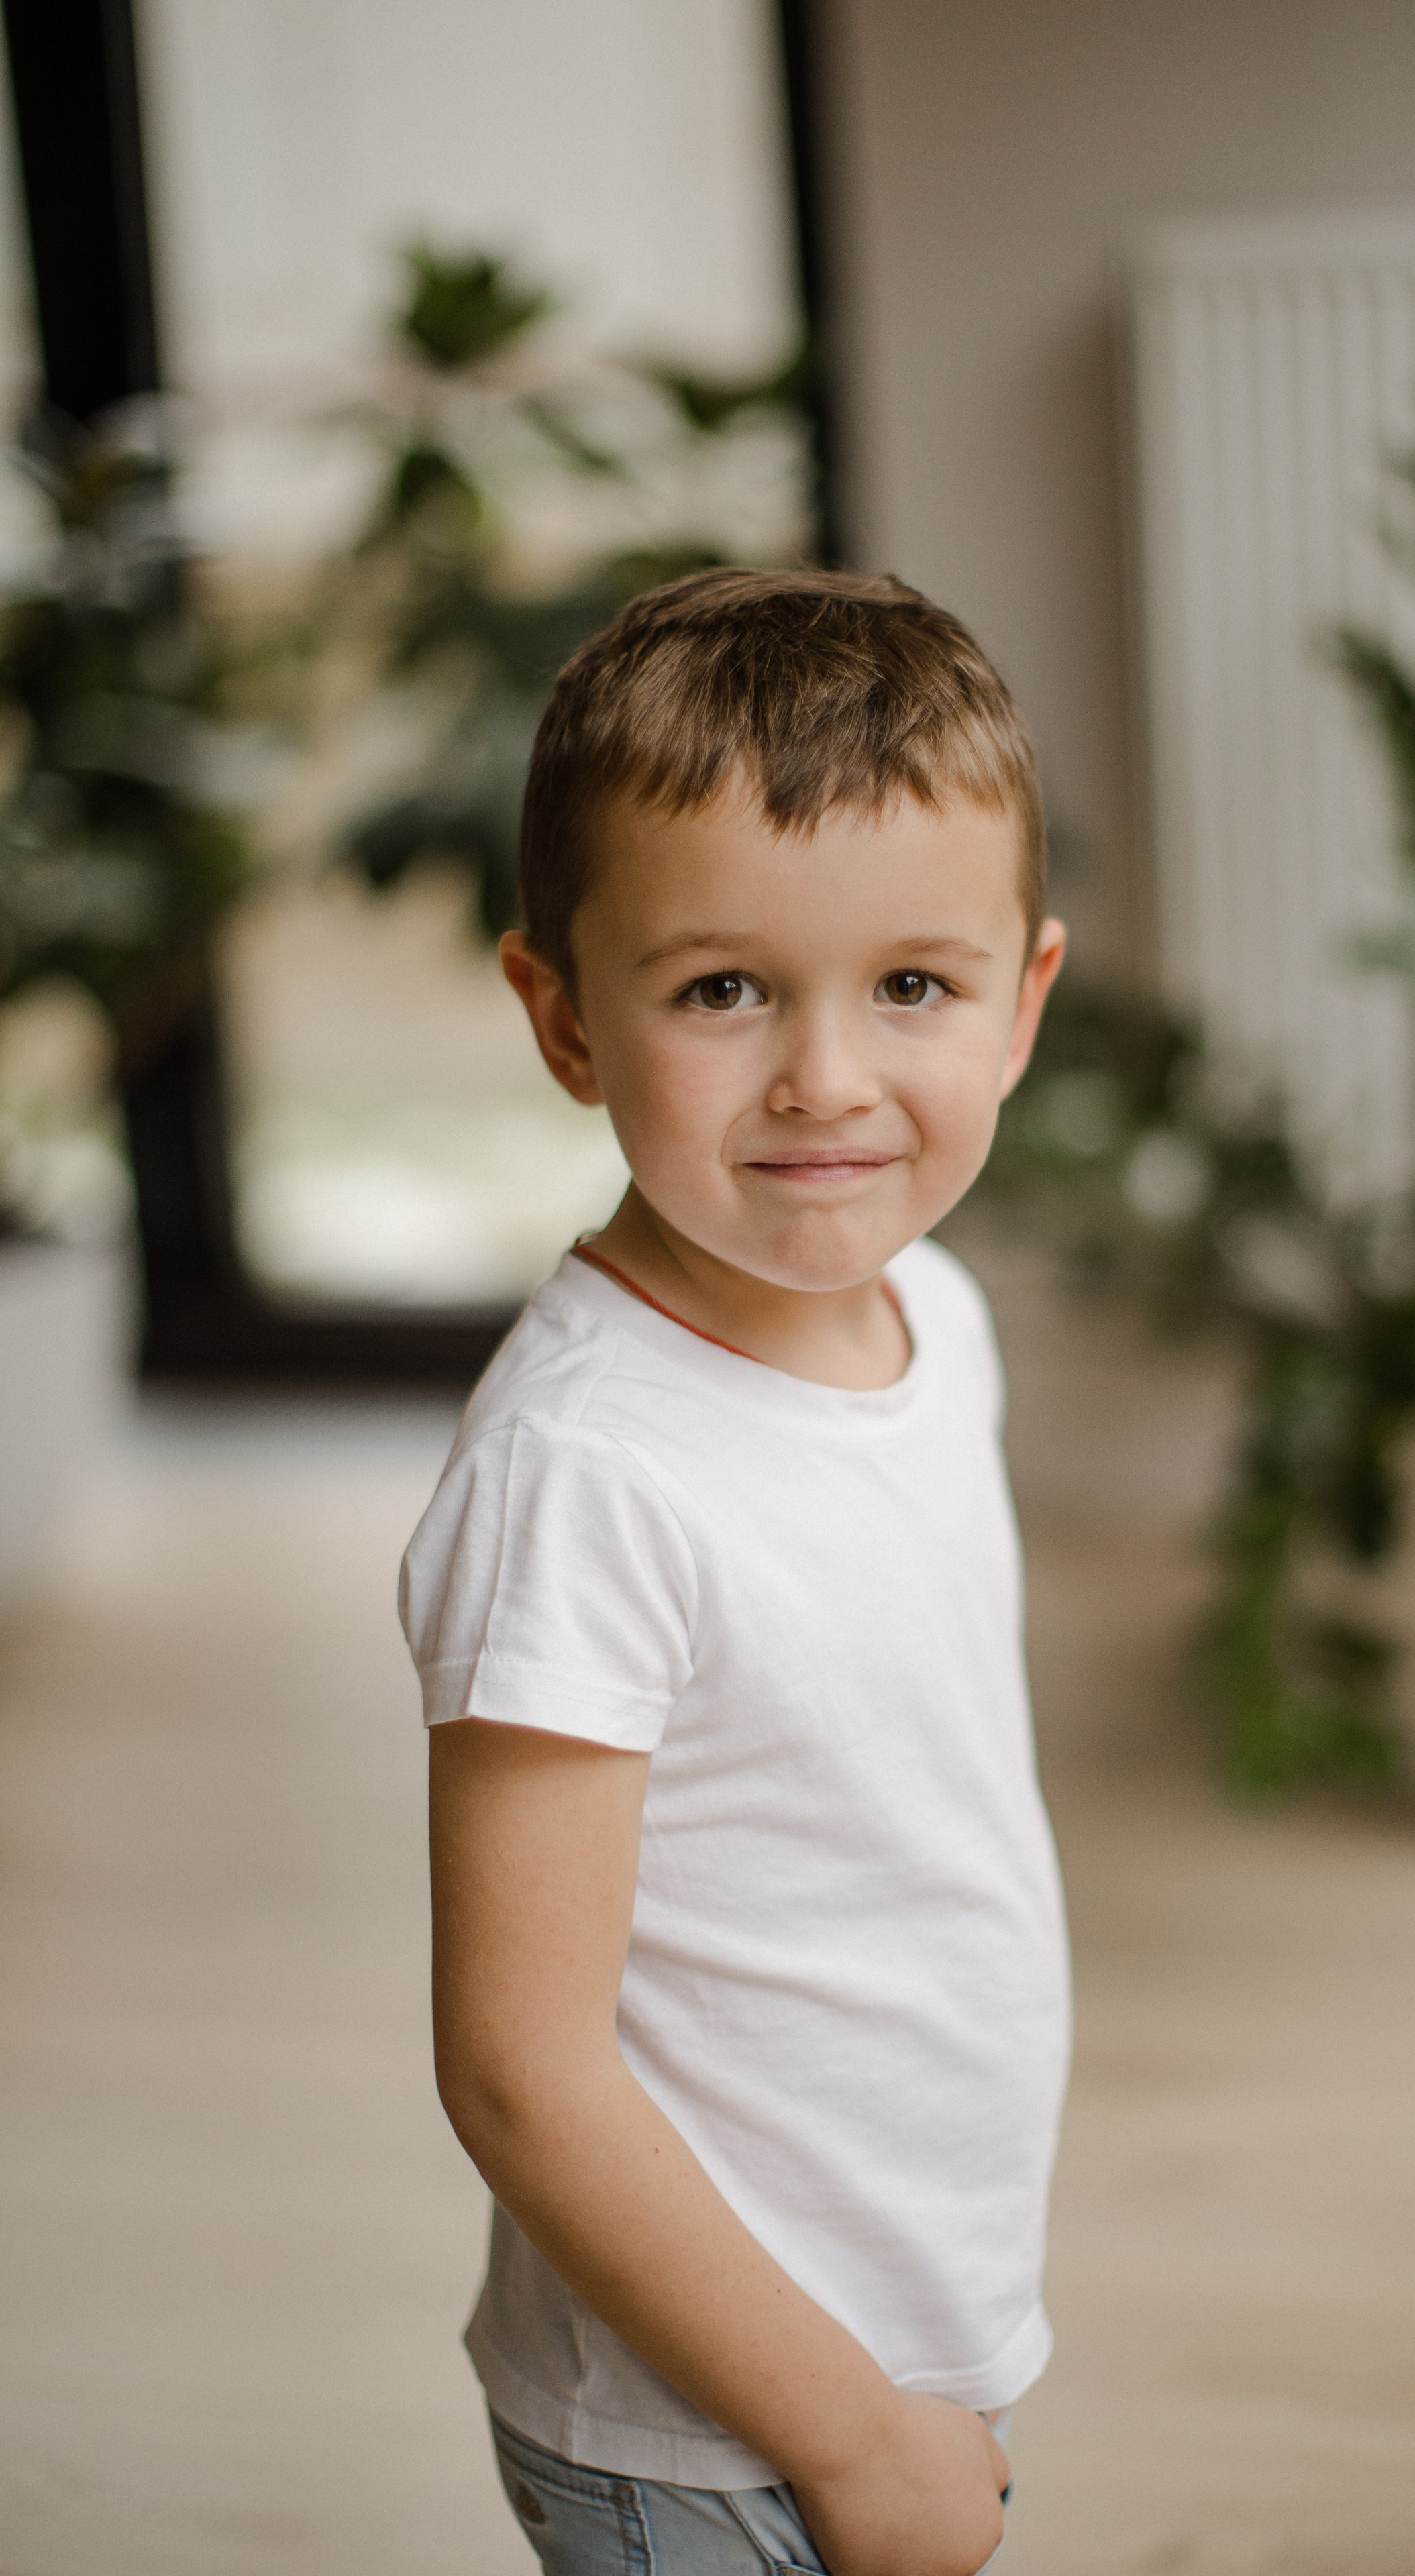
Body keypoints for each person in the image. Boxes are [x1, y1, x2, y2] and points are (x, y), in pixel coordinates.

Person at [400, 567, 1071, 2576]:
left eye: (913, 989)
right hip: (711, 2430)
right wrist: (850, 2441)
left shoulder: (932, 1317)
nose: (827, 1080)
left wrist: (910, 2394)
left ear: (1025, 1003)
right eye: (721, 991)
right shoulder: (585, 1479)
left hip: (904, 2331)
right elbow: (521, 2071)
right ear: (564, 1018)